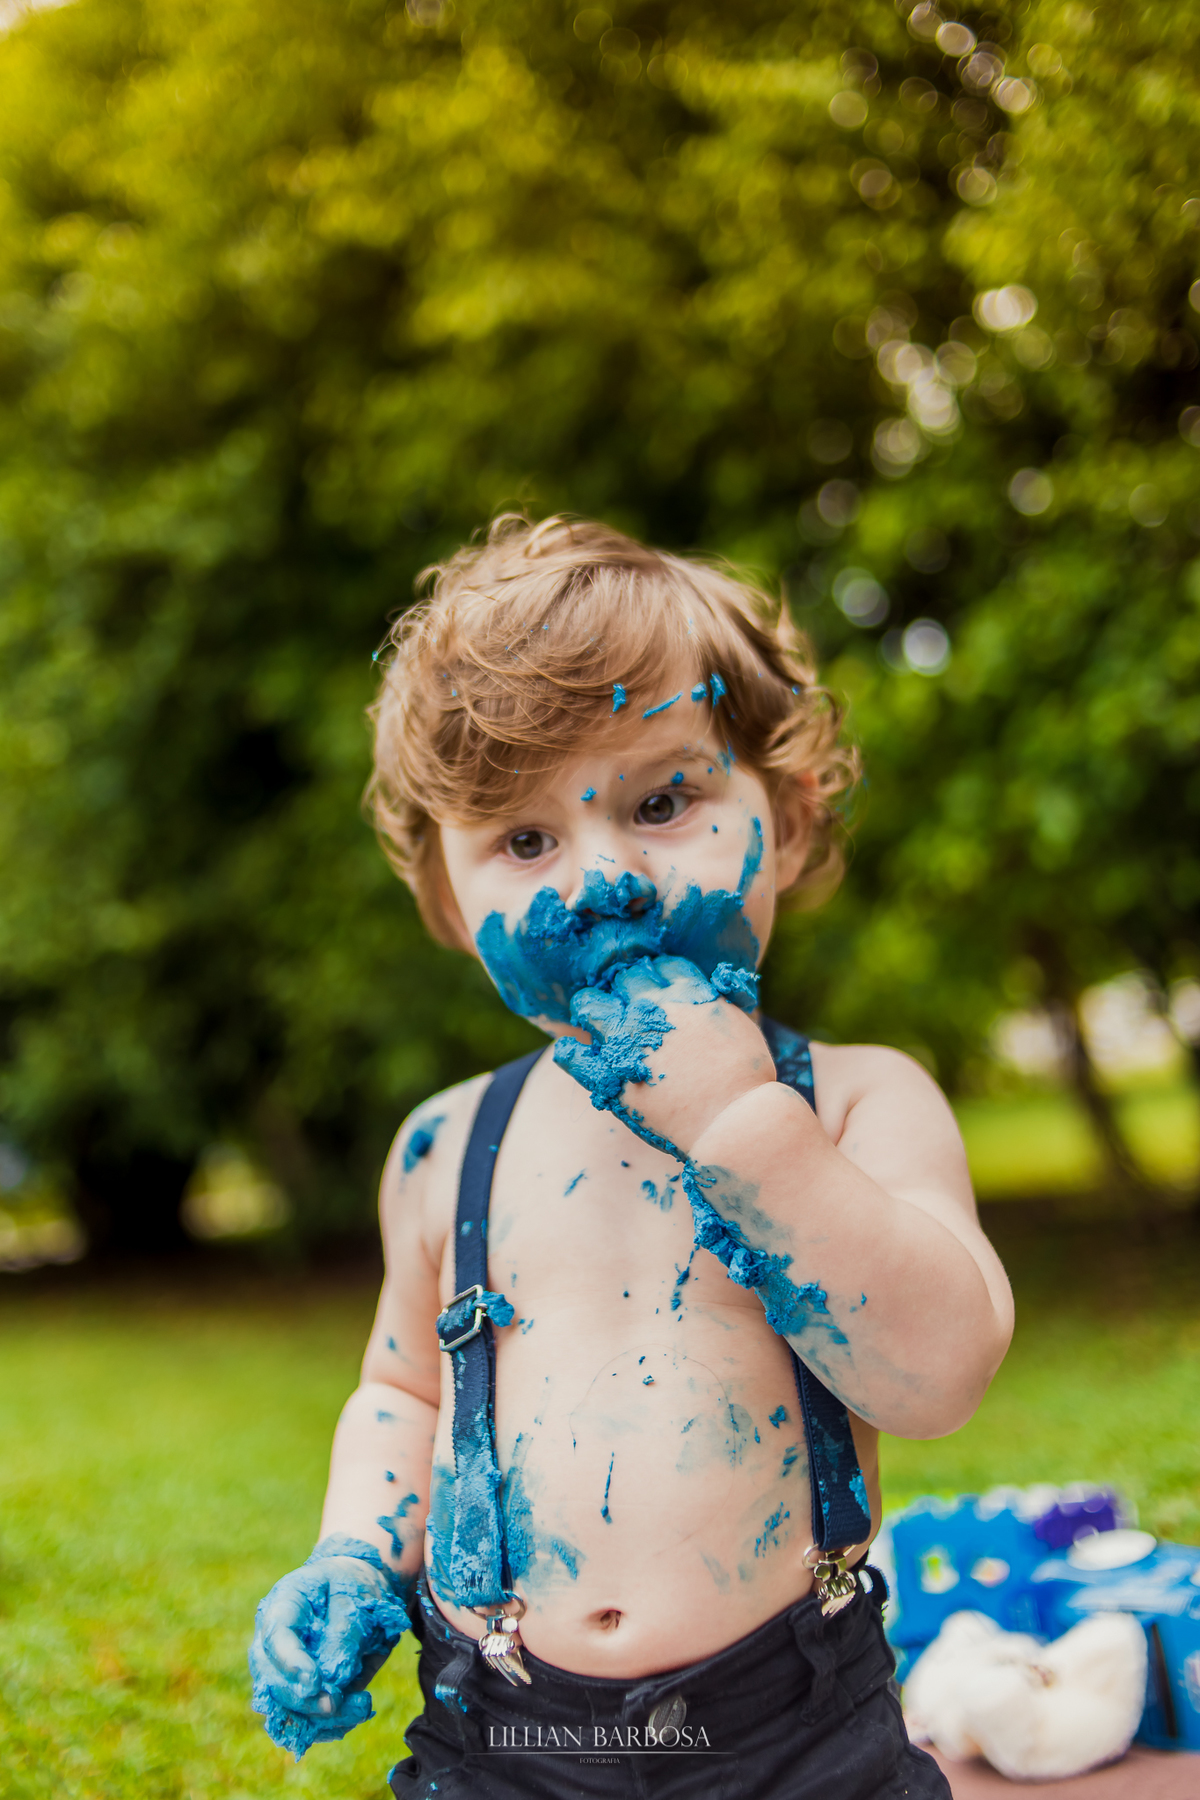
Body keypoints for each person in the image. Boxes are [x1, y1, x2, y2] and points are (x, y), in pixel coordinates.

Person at [249, 515, 1013, 1797]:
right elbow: (404, 1395)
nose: (601, 880)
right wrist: (351, 1555)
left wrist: (743, 1128)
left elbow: (937, 1377)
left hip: (793, 1729)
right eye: (525, 841)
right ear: (448, 898)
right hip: (501, 1734)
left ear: (791, 815)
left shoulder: (854, 1103)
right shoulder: (443, 1146)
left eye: (663, 802)